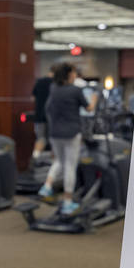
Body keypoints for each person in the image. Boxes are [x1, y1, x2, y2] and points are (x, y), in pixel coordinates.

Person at [39, 62, 96, 215]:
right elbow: (89, 108)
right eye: (73, 73)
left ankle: (47, 186)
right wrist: (95, 99)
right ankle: (67, 201)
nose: (75, 75)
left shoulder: (53, 88)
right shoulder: (76, 91)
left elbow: (48, 108)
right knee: (70, 166)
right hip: (71, 134)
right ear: (69, 75)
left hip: (55, 133)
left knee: (59, 161)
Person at [31, 67, 54, 158]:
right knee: (53, 140)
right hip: (52, 116)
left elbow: (33, 98)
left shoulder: (39, 81)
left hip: (39, 115)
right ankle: (54, 164)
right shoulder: (56, 84)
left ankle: (35, 158)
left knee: (40, 138)